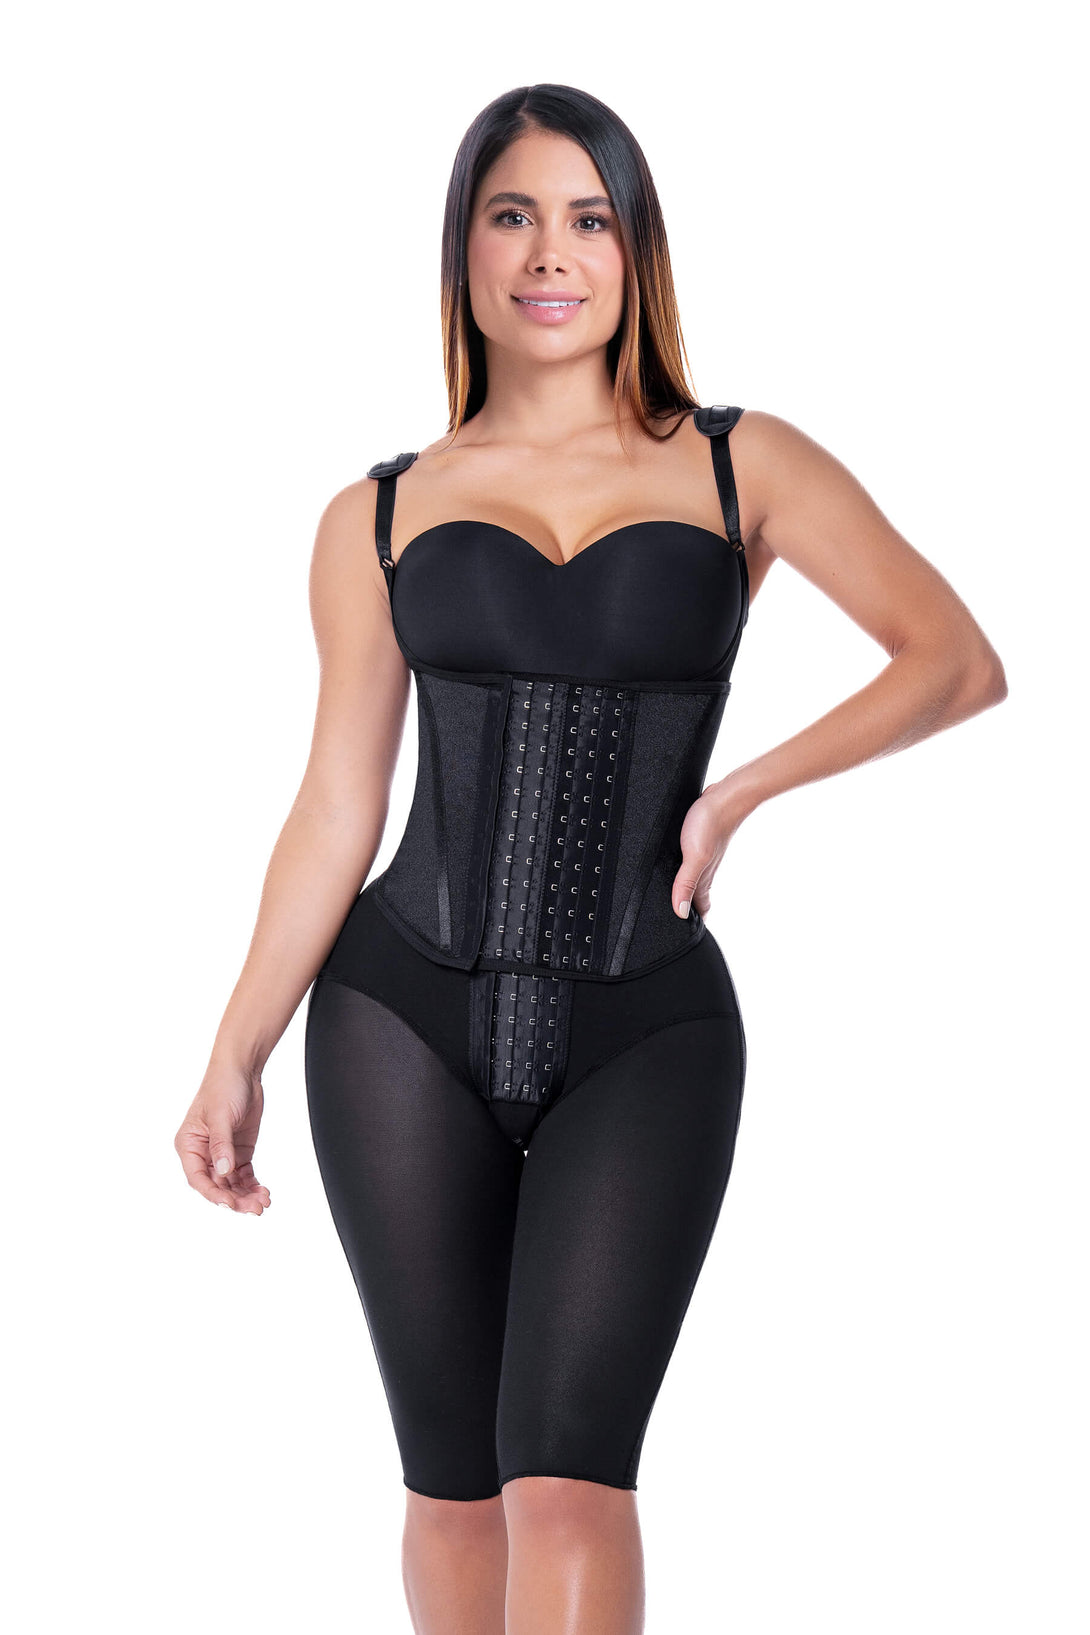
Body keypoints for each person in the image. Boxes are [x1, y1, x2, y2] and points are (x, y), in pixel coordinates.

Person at [174, 83, 1007, 1635]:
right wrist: (235, 1052)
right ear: (465, 251)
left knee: (567, 1481)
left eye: (588, 218)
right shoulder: (377, 511)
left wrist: (738, 793)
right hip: (399, 1018)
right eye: (513, 215)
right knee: (451, 1492)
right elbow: (337, 802)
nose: (549, 253)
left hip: (649, 1024)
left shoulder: (740, 463)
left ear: (636, 253)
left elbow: (953, 661)